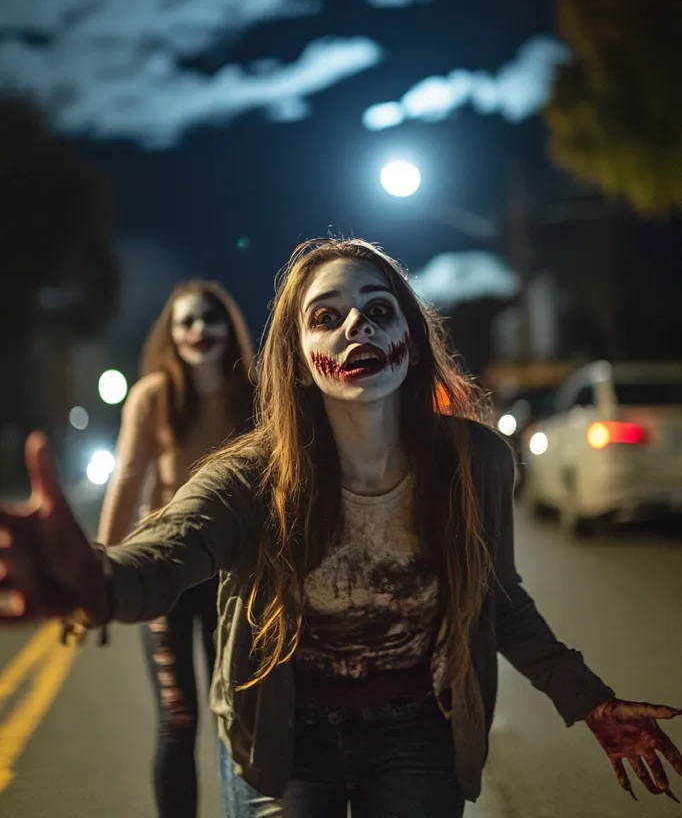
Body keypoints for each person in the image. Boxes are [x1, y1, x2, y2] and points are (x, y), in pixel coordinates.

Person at [0, 238, 681, 818]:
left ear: (409, 341)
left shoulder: (476, 463)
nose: (357, 325)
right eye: (327, 317)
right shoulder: (248, 477)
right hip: (284, 736)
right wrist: (91, 576)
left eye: (378, 310)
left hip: (420, 729)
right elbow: (166, 557)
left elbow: (498, 598)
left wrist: (589, 700)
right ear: (297, 359)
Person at [96, 279, 254, 818]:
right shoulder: (153, 395)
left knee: (236, 714)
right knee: (178, 717)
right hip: (165, 570)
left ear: (229, 330)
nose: (198, 330)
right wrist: (102, 572)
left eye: (210, 319)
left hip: (232, 573)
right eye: (185, 321)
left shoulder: (251, 389)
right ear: (171, 334)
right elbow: (128, 480)